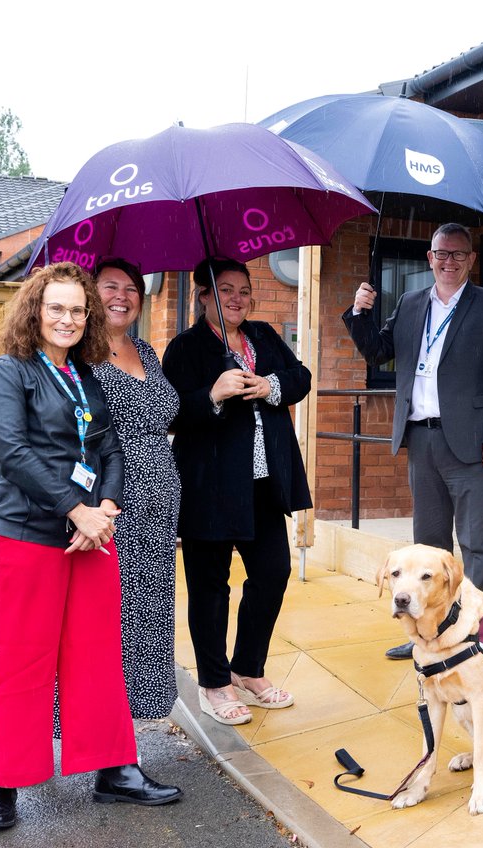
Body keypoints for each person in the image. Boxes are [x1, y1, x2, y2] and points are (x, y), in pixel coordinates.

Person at [0, 262, 181, 832]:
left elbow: (112, 449)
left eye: (76, 309)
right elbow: (14, 452)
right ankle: (4, 782)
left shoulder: (87, 377)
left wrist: (106, 510)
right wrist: (76, 509)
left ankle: (114, 769)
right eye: (56, 308)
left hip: (91, 537)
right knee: (18, 664)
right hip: (24, 537)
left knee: (97, 659)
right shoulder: (7, 372)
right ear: (35, 312)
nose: (67, 319)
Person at [343, 222, 483, 660]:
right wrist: (360, 312)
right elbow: (378, 351)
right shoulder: (409, 303)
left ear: (471, 260)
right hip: (421, 440)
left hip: (474, 444)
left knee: (477, 544)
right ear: (430, 258)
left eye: (459, 254)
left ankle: (478, 639)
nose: (449, 261)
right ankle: (425, 638)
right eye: (442, 253)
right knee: (427, 548)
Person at [162, 258, 313, 725]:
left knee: (273, 572)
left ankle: (247, 668)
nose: (236, 298)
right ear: (204, 295)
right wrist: (214, 393)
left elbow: (301, 378)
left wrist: (271, 385)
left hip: (265, 485)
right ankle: (214, 682)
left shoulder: (264, 336)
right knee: (210, 587)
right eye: (224, 289)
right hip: (210, 488)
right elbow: (169, 411)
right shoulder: (185, 347)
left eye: (244, 290)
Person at [92, 258, 182, 720]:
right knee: (111, 617)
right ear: (92, 293)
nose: (122, 296)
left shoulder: (146, 351)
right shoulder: (79, 354)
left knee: (149, 617)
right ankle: (102, 725)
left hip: (158, 507)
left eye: (131, 288)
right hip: (110, 502)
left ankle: (131, 722)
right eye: (110, 286)